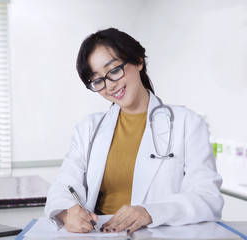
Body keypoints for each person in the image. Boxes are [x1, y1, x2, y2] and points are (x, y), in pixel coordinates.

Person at [44, 28, 223, 234]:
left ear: (139, 61)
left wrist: (150, 212)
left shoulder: (188, 123)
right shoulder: (88, 129)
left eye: (113, 71)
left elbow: (208, 197)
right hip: (99, 234)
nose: (109, 86)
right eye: (98, 80)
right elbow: (64, 186)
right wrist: (68, 214)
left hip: (159, 234)